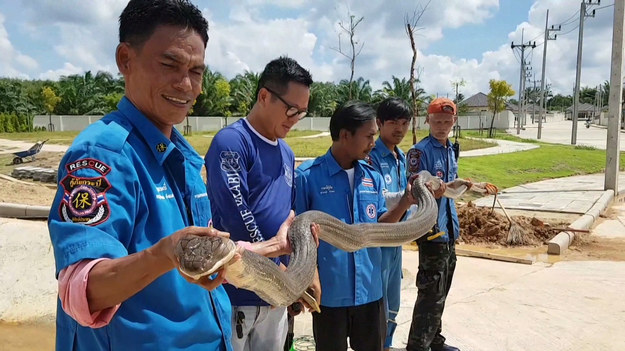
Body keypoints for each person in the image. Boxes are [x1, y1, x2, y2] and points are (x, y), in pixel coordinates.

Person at [48, 1, 234, 350]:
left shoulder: (182, 156)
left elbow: (192, 253)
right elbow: (82, 290)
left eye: (196, 71)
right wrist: (164, 255)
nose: (186, 85)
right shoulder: (103, 155)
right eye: (169, 64)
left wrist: (270, 249)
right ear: (125, 59)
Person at [204, 56, 316, 351]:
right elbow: (237, 214)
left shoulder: (288, 153)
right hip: (237, 293)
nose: (294, 119)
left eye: (302, 113)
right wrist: (277, 266)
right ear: (264, 96)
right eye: (291, 109)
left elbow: (287, 221)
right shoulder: (232, 143)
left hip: (274, 295)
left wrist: (293, 274)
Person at [295, 101, 417, 351]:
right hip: (329, 295)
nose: (374, 142)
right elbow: (298, 236)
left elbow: (380, 227)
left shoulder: (371, 176)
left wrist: (405, 201)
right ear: (344, 135)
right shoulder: (308, 177)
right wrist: (308, 278)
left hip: (370, 293)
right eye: (369, 136)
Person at [406, 98, 462, 351]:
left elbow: (450, 189)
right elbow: (416, 184)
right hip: (431, 231)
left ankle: (435, 340)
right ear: (428, 120)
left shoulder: (451, 149)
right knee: (430, 293)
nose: (442, 126)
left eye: (447, 122)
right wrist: (432, 187)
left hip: (449, 229)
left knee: (443, 290)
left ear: (454, 121)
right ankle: (418, 346)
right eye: (437, 121)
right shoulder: (420, 151)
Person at [367, 97, 413, 351]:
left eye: (405, 123)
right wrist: (405, 201)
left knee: (393, 301)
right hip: (378, 241)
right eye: (393, 122)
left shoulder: (401, 157)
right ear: (380, 123)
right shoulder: (371, 157)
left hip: (396, 241)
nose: (400, 128)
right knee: (377, 302)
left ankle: (387, 344)